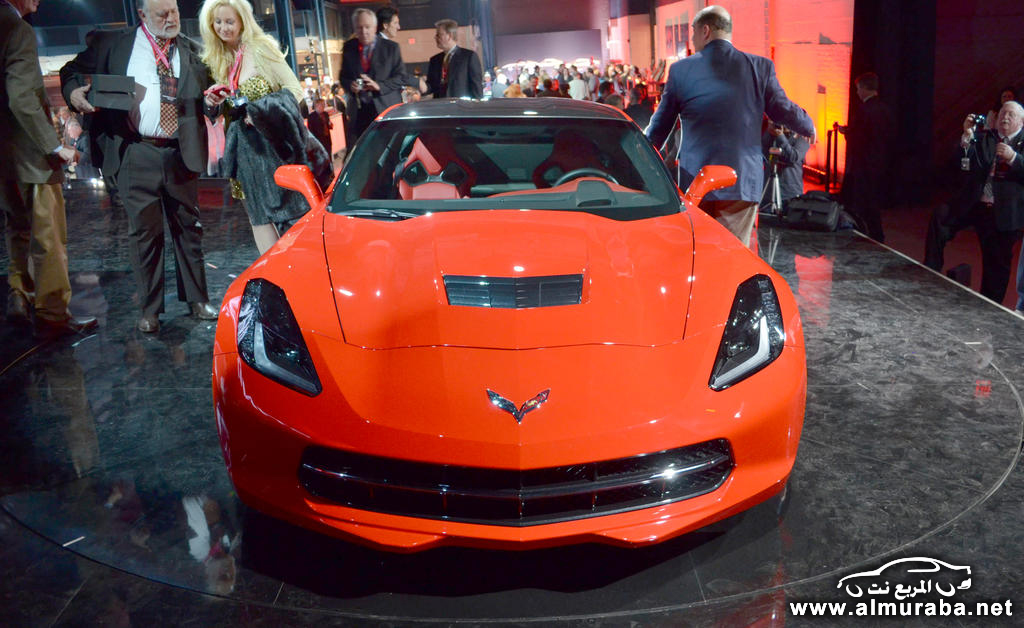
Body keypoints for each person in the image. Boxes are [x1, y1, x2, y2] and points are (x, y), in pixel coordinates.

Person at [60, 0, 224, 333]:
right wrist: (74, 93)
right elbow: (70, 71)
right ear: (142, 14)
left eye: (174, 11)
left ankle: (198, 299)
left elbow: (208, 102)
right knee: (144, 234)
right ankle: (150, 309)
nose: (171, 18)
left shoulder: (193, 51)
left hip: (180, 152)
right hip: (135, 151)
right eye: (162, 13)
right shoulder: (113, 44)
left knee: (188, 229)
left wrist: (212, 103)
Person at [646, 5, 814, 248]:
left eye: (693, 32)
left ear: (705, 30)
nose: (692, 39)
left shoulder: (681, 70)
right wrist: (808, 126)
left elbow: (660, 126)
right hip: (741, 182)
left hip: (696, 182)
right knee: (732, 255)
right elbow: (783, 109)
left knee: (698, 252)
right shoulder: (760, 67)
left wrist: (641, 158)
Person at [1, 0, 98, 336]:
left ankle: (19, 295)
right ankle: (52, 314)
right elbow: (21, 97)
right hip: (30, 153)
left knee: (17, 227)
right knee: (48, 235)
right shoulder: (18, 28)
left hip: (4, 155)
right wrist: (54, 146)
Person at [198, 0, 307, 255]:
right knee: (257, 217)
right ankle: (273, 273)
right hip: (243, 153)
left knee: (290, 217)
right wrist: (213, 103)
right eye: (218, 22)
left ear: (243, 21)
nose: (223, 28)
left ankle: (300, 271)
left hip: (274, 149)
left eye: (229, 21)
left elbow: (295, 90)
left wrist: (261, 113)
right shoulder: (219, 58)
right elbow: (225, 111)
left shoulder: (261, 48)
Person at [930, 102, 1024, 304]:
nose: (1005, 118)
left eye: (1011, 114)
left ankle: (989, 306)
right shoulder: (987, 137)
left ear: (1022, 122)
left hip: (1004, 212)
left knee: (995, 268)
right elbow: (961, 163)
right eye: (1002, 113)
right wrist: (967, 136)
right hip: (976, 204)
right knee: (941, 215)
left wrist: (1013, 158)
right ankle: (930, 268)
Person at [836, 72, 894, 242]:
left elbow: (859, 138)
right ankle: (876, 235)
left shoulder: (864, 110)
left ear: (863, 88)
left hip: (864, 163)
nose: (857, 92)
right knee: (873, 201)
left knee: (863, 202)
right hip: (880, 162)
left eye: (858, 88)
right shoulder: (885, 109)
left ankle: (868, 234)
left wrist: (847, 133)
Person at [340, 8, 410, 140]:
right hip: (359, 113)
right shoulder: (349, 47)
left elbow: (401, 77)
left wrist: (379, 86)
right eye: (359, 27)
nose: (364, 31)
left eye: (367, 27)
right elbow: (343, 77)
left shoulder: (391, 48)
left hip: (385, 109)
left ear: (375, 27)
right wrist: (350, 85)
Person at [424, 19, 483, 100]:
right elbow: (431, 87)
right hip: (440, 106)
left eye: (438, 35)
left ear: (450, 35)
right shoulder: (435, 60)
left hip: (461, 106)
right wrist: (419, 85)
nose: (435, 38)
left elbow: (477, 89)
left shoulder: (468, 57)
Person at [761, 120, 810, 208]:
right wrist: (769, 133)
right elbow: (763, 152)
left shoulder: (802, 136)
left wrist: (780, 136)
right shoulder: (772, 132)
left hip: (789, 194)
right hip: (768, 191)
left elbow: (794, 157)